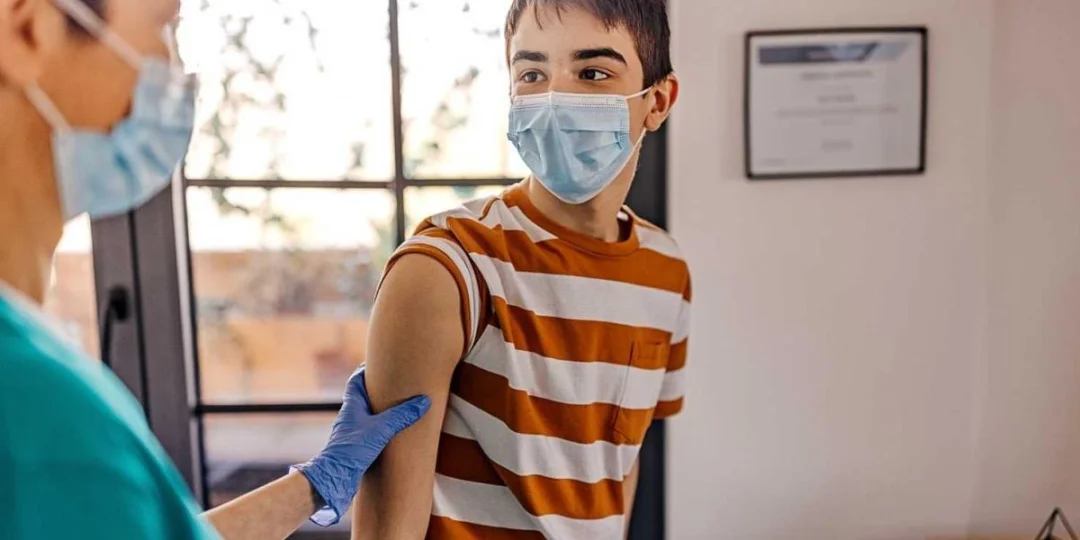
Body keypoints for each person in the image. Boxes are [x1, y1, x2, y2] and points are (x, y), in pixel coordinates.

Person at [0, 0, 430, 538]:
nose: (175, 74)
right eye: (163, 27)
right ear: (29, 30)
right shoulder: (36, 416)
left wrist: (317, 485)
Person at [355, 0, 691, 538]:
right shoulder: (445, 267)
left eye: (592, 73)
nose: (556, 98)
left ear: (658, 101)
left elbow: (618, 466)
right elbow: (389, 529)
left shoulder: (666, 271)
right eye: (532, 74)